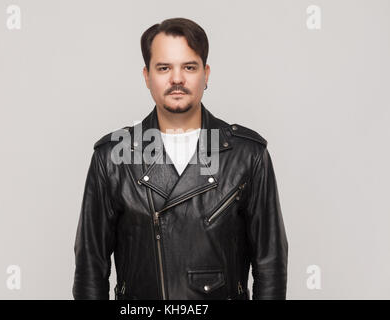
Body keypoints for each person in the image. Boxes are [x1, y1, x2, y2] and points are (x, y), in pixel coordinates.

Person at [72, 17, 288, 300]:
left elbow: (270, 264)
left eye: (189, 67)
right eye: (164, 68)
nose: (177, 78)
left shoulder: (247, 155)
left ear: (206, 74)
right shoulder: (113, 157)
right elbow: (90, 267)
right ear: (147, 76)